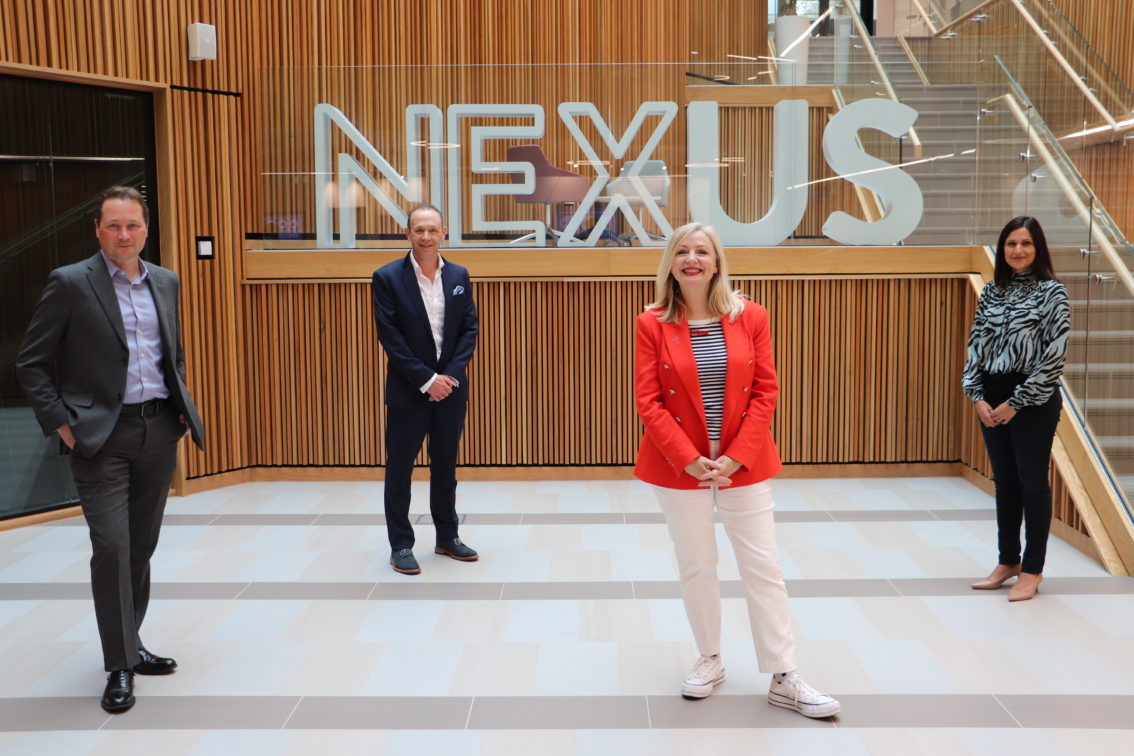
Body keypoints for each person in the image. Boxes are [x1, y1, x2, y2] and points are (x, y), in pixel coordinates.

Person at [633, 222, 840, 719]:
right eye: (682, 251)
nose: (692, 259)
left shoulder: (752, 317)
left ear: (717, 261)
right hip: (680, 467)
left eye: (702, 251)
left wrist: (736, 455)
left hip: (741, 465)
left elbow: (766, 391)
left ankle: (784, 674)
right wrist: (688, 457)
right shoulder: (651, 323)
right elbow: (649, 400)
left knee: (763, 567)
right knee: (697, 566)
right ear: (670, 263)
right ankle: (710, 659)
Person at [16, 186, 205, 713]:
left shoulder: (165, 281)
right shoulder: (71, 283)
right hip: (100, 437)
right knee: (114, 548)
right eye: (114, 225)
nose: (125, 235)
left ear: (146, 230)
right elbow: (31, 362)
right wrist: (63, 425)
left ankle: (133, 643)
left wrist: (181, 406)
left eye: (134, 226)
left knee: (141, 546)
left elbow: (173, 353)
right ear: (97, 229)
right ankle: (119, 664)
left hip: (158, 433)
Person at [963, 216, 1069, 602]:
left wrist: (1015, 403)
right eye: (1011, 243)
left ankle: (1033, 569)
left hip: (1033, 398)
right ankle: (1007, 561)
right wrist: (976, 394)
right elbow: (975, 346)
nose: (1018, 250)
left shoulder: (1052, 292)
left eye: (1025, 243)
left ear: (1037, 248)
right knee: (1005, 483)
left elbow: (1053, 358)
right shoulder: (993, 290)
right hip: (990, 396)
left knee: (1032, 484)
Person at [371, 204, 479, 575]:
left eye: (432, 230)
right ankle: (400, 545)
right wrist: (426, 380)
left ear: (443, 232)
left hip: (451, 391)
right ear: (407, 233)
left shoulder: (460, 275)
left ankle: (447, 537)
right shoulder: (387, 278)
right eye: (419, 230)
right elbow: (391, 337)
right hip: (408, 392)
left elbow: (469, 331)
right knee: (399, 470)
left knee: (445, 468)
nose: (426, 236)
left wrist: (447, 377)